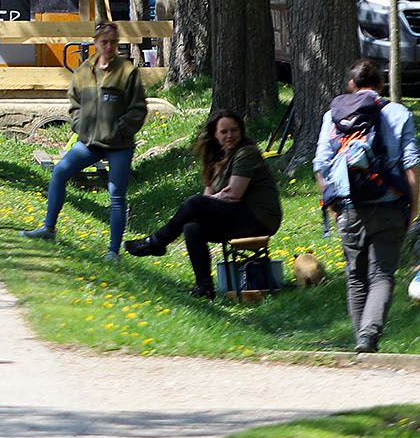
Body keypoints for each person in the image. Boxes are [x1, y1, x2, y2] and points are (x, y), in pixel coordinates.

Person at [312, 58, 418, 352]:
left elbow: (320, 164)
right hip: (390, 204)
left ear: (351, 85)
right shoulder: (398, 113)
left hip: (349, 206)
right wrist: (413, 205)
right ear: (381, 86)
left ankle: (363, 342)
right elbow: (411, 164)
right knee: (382, 274)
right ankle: (368, 338)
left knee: (355, 277)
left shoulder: (331, 116)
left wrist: (333, 203)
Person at [22, 21, 148, 259]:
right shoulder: (83, 71)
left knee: (116, 195)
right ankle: (49, 227)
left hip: (119, 146)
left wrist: (119, 128)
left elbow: (138, 110)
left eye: (113, 42)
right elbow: (74, 104)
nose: (109, 46)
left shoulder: (127, 72)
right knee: (60, 172)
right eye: (104, 42)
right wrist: (79, 126)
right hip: (89, 143)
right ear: (95, 43)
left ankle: (113, 251)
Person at [125, 109, 283, 298]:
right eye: (224, 132)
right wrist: (212, 199)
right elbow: (208, 200)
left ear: (241, 131)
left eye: (234, 130)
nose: (230, 135)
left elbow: (233, 194)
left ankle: (157, 241)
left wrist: (211, 199)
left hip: (260, 218)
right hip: (237, 216)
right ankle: (204, 287)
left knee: (194, 203)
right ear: (215, 134)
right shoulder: (215, 159)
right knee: (192, 227)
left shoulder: (246, 153)